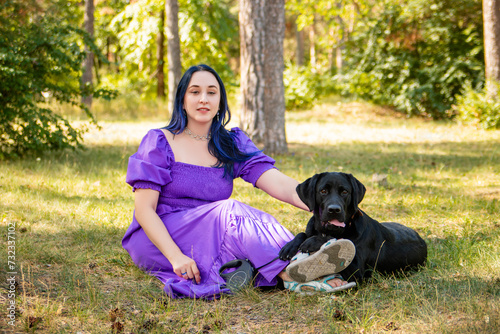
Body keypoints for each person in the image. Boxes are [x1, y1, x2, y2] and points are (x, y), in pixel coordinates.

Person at [122, 64, 356, 299]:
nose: (203, 99)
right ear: (182, 99)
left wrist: (333, 206)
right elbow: (144, 210)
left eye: (212, 92)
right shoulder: (159, 142)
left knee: (253, 221)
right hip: (160, 238)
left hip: (210, 238)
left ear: (220, 101)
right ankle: (292, 270)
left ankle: (302, 266)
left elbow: (281, 185)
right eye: (195, 92)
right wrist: (175, 257)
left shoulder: (230, 144)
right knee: (230, 210)